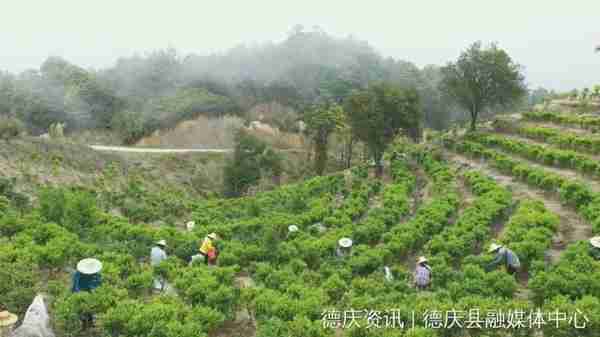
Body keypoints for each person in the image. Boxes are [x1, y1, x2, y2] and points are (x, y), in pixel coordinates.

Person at [71, 258, 102, 330]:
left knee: (89, 311)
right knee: (82, 311)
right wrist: (81, 295)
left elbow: (98, 284)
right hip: (80, 293)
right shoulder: (78, 274)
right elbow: (76, 286)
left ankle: (90, 323)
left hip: (87, 294)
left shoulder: (96, 275)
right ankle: (84, 325)